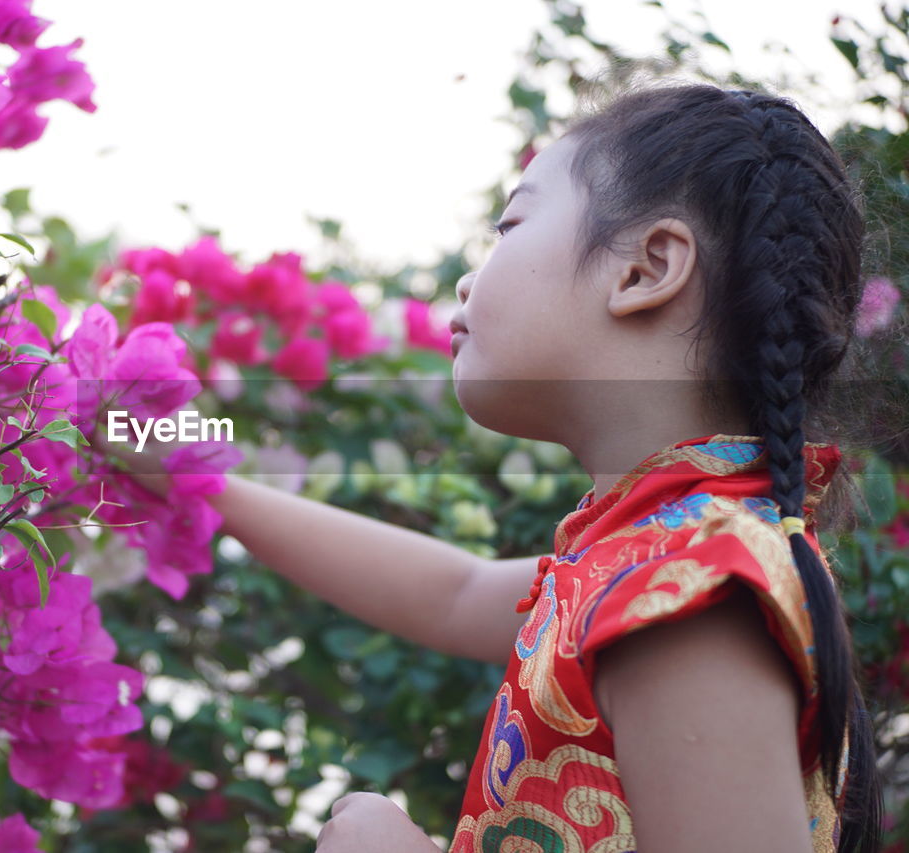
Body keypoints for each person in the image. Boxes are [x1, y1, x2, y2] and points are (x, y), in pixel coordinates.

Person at [95, 80, 884, 853]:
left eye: (509, 225)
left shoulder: (689, 593)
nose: (471, 277)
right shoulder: (649, 557)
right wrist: (190, 474)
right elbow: (452, 593)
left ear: (645, 270)